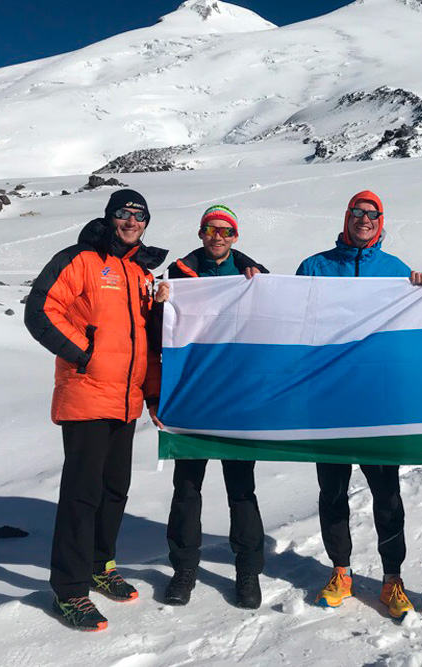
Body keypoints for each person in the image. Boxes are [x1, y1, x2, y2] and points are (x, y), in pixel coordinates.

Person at [24, 189, 167, 632]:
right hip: (87, 394)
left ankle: (100, 565)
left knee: (114, 489)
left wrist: (153, 392)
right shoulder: (81, 259)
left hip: (125, 400)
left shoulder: (140, 271)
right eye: (123, 214)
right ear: (109, 218)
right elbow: (40, 311)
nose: (131, 221)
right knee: (81, 495)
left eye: (139, 215)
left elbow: (144, 339)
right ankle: (69, 590)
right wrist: (84, 353)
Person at [296, 190, 422, 619]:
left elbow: (416, 330)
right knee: (332, 493)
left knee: (387, 495)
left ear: (381, 221)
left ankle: (392, 580)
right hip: (329, 403)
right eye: (357, 212)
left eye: (372, 214)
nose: (364, 220)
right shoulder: (314, 267)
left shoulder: (396, 272)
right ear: (346, 217)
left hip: (377, 404)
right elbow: (289, 321)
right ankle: (341, 572)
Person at [152, 205, 269, 610]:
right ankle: (184, 569)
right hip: (191, 398)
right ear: (201, 233)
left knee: (241, 489)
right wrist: (160, 305)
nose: (217, 236)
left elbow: (276, 325)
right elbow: (158, 336)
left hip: (237, 400)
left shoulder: (256, 276)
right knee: (186, 488)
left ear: (235, 236)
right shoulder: (178, 275)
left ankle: (248, 571)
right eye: (210, 229)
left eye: (225, 230)